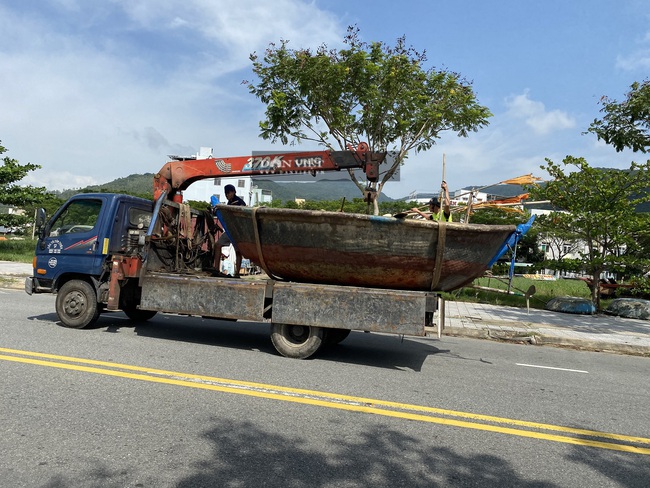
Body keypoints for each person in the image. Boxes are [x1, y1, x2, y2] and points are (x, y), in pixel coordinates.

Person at [214, 184, 246, 277]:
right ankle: (216, 269)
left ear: (233, 192)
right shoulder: (229, 203)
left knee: (238, 251)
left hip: (238, 231)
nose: (227, 195)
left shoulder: (240, 202)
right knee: (218, 245)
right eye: (225, 193)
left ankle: (237, 273)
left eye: (228, 193)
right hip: (229, 230)